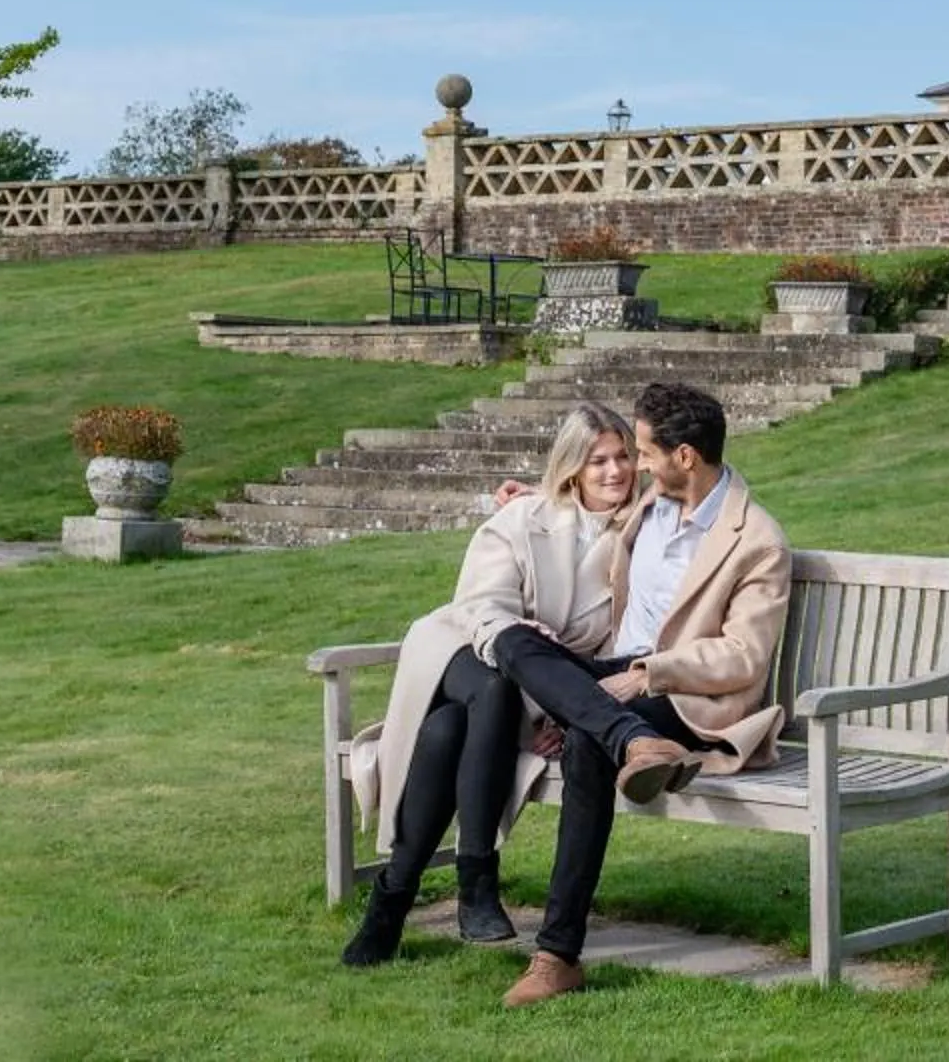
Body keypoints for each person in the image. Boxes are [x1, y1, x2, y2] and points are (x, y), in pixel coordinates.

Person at [485, 381, 792, 1008]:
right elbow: (592, 497)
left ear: (685, 457)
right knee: (513, 641)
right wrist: (533, 494)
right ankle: (620, 732)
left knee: (588, 749)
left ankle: (556, 956)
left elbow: (743, 657)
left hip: (684, 697)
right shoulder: (654, 503)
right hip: (613, 681)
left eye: (645, 453)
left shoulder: (757, 540)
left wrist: (651, 672)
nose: (634, 466)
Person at [339, 401, 636, 968]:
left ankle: (391, 901)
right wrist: (526, 651)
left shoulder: (634, 536)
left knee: (450, 733)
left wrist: (562, 708)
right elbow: (484, 608)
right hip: (458, 646)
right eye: (597, 460)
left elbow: (610, 645)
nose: (614, 471)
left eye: (623, 457)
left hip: (535, 686)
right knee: (492, 687)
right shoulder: (523, 519)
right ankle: (477, 876)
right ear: (572, 465)